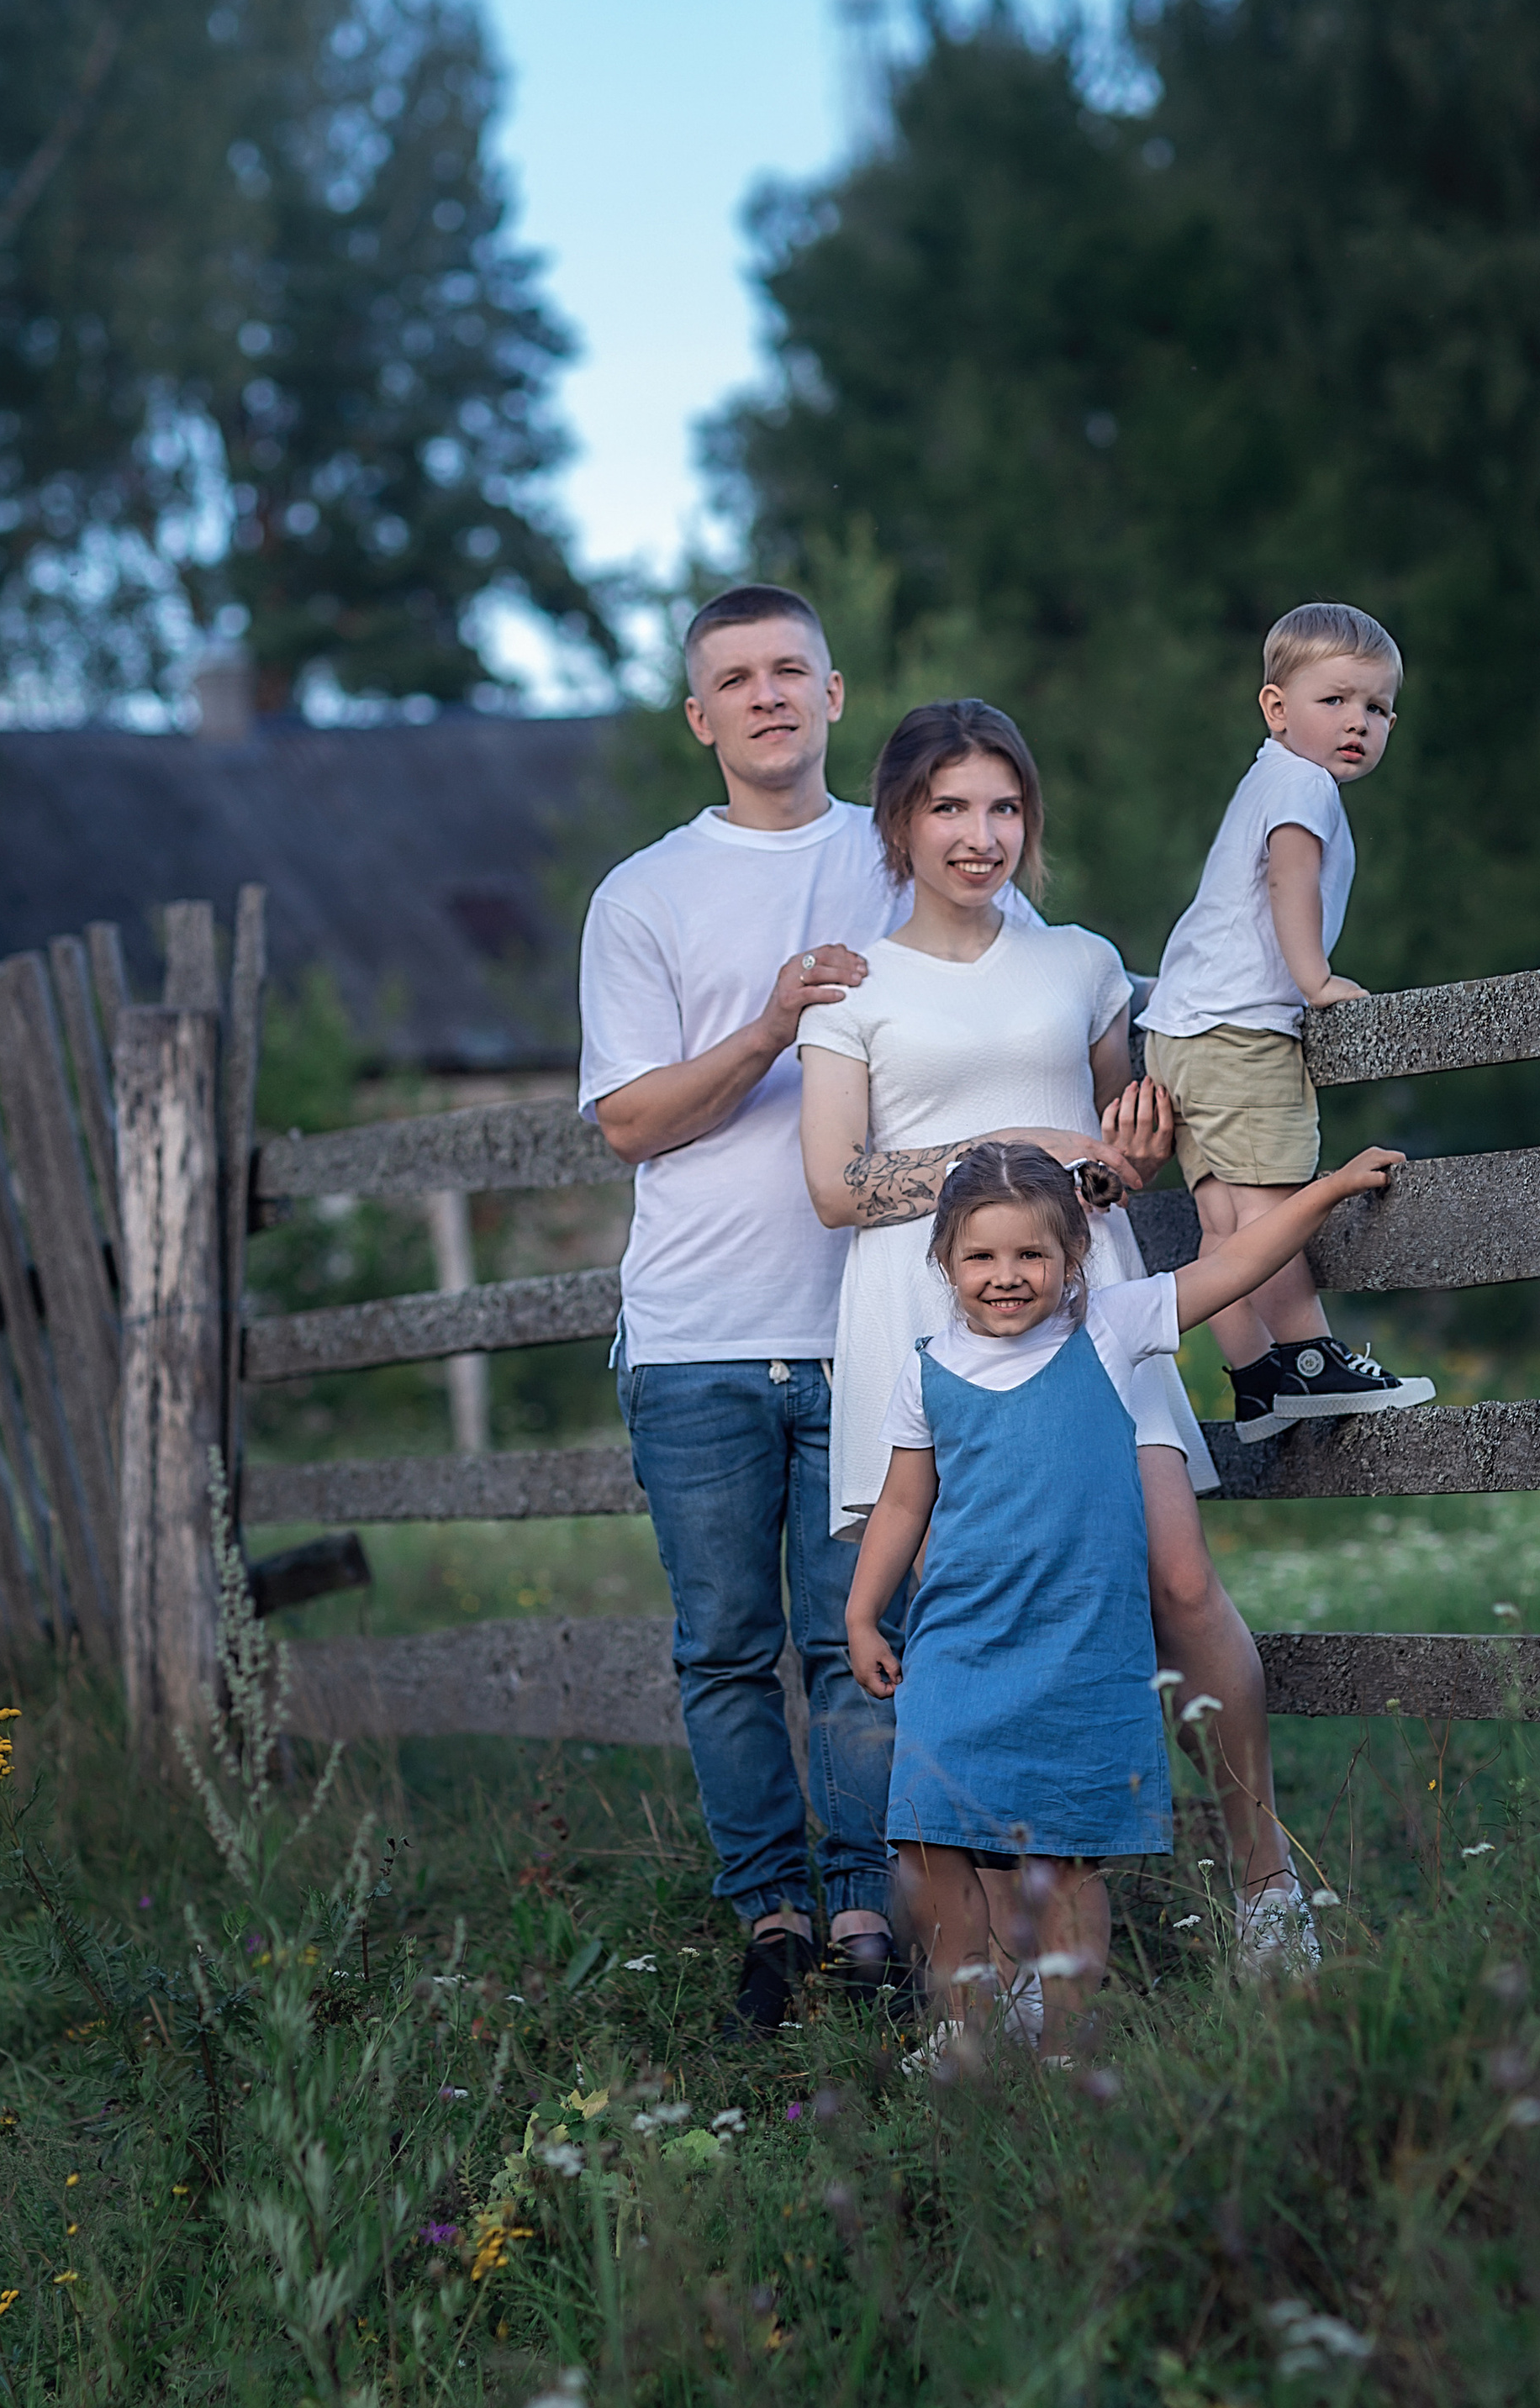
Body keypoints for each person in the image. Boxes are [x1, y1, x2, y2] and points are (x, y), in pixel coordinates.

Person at [797, 698, 1321, 1977]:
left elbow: (1114, 1155)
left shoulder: (1084, 962)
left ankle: (1268, 1887)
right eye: (949, 808)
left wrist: (1124, 1161)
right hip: (923, 1317)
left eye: (1003, 808)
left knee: (1180, 1585)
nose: (979, 836)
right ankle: (994, 1965)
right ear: (899, 824)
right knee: (966, 1633)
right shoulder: (854, 992)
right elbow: (834, 1183)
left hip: (1088, 1318)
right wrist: (1018, 1159)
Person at [845, 1136, 1406, 2061]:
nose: (1006, 1277)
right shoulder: (925, 1368)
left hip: (1076, 1650)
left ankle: (1062, 2049)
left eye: (1032, 1254)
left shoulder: (1108, 1329)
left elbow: (1234, 1264)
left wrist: (1330, 1189)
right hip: (957, 1646)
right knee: (927, 1842)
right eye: (981, 1257)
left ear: (1073, 1257)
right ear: (944, 1261)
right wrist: (865, 1613)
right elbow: (904, 1501)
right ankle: (966, 2031)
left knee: (1060, 1857)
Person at [578, 583, 910, 2036]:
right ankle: (769, 1915)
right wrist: (774, 1023)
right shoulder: (643, 895)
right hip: (699, 1335)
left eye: (793, 670)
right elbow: (630, 1124)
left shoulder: (909, 858)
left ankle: (869, 1913)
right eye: (738, 678)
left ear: (835, 696)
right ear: (701, 717)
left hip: (871, 1322)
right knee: (724, 1645)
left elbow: (1030, 999)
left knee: (858, 1638)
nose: (769, 695)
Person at [1139, 601, 1436, 1441]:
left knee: (1222, 1223)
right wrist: (1315, 979)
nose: (1358, 724)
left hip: (1182, 1031)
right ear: (1276, 708)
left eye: (1376, 710)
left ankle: (1258, 1379)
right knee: (1273, 1213)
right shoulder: (1300, 786)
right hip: (1241, 1029)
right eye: (1335, 701)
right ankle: (1310, 1358)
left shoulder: (1267, 777)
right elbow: (1289, 878)